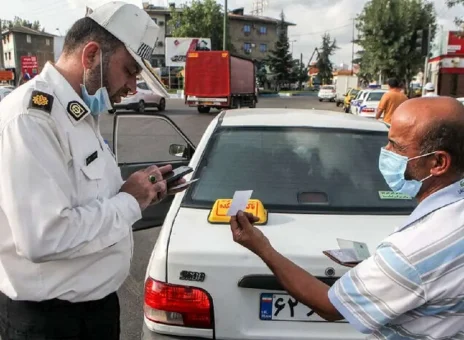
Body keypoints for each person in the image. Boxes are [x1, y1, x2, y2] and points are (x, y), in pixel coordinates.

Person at [0, 2, 188, 339]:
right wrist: (130, 202)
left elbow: (89, 200)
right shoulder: (31, 118)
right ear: (91, 56)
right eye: (130, 70)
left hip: (94, 313)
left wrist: (139, 189)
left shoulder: (78, 114)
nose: (132, 87)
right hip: (51, 323)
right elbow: (45, 237)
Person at [230, 96, 464, 339]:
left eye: (397, 147)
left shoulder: (413, 251)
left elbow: (329, 307)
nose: (386, 152)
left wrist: (262, 247)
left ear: (438, 162)